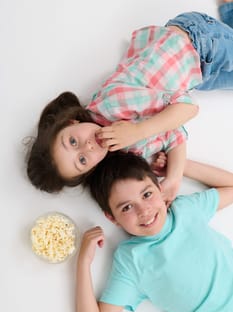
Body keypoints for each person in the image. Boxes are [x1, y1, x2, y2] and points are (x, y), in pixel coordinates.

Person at [27, 1, 233, 200]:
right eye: (82, 160)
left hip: (199, 41)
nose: (87, 146)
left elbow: (188, 108)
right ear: (91, 169)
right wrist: (173, 179)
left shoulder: (110, 104)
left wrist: (138, 131)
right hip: (197, 73)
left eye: (73, 141)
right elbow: (175, 134)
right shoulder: (127, 147)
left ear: (72, 123)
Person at [77, 151, 233, 312]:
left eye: (147, 194)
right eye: (127, 208)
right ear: (112, 218)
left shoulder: (185, 210)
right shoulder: (131, 260)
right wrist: (83, 263)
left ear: (160, 189)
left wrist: (176, 167)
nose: (144, 211)